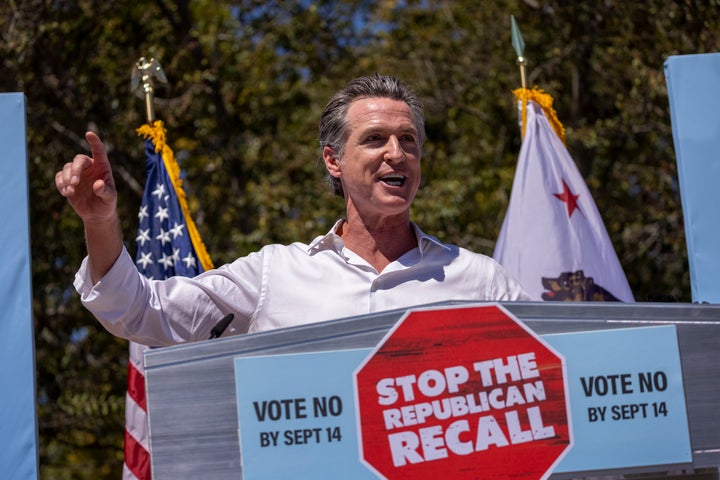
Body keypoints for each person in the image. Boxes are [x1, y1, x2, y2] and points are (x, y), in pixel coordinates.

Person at [55, 74, 530, 346]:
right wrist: (100, 222)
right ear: (333, 160)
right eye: (374, 139)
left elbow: (558, 370)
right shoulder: (275, 276)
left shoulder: (480, 280)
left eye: (408, 140)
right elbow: (140, 312)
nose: (397, 153)